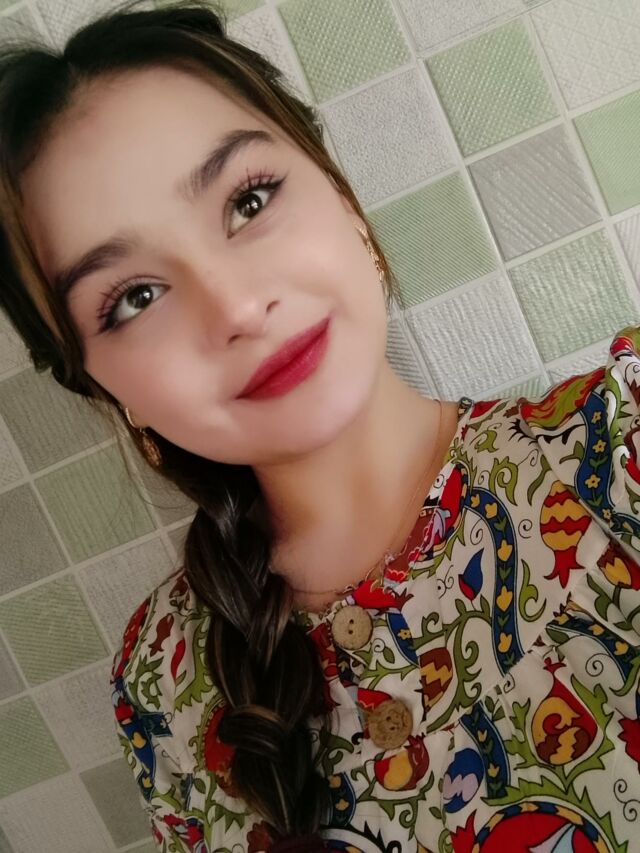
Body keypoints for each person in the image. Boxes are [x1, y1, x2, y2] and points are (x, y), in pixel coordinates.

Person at [0, 0, 638, 850]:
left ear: (345, 202)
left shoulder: (622, 451)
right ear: (108, 390)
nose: (235, 306)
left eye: (248, 200)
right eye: (136, 297)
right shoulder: (163, 686)